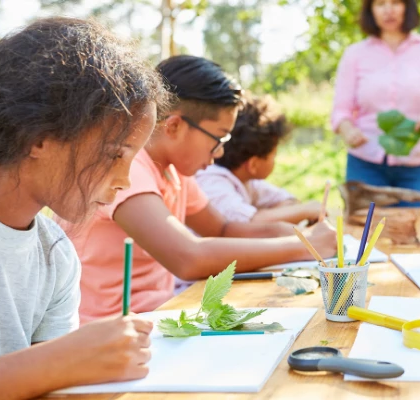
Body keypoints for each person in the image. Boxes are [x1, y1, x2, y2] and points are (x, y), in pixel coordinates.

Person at [0, 17, 170, 398]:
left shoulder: (55, 253)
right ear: (38, 136)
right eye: (114, 155)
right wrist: (60, 361)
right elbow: (45, 370)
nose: (125, 179)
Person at [59, 56, 337, 323]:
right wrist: (303, 247)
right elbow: (188, 258)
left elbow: (224, 229)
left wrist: (299, 235)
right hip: (104, 334)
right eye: (218, 137)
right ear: (175, 126)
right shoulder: (125, 167)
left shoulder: (173, 171)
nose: (220, 152)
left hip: (157, 317)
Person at [331, 0, 420, 206]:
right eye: (380, 3)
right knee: (365, 233)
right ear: (370, 9)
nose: (388, 10)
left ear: (407, 6)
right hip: (365, 164)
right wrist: (347, 130)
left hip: (417, 165)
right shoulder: (355, 54)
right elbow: (340, 111)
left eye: (395, 2)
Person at [196, 95, 322, 224]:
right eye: (274, 155)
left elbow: (287, 200)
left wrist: (287, 212)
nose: (275, 160)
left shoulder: (248, 182)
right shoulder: (212, 183)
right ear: (253, 164)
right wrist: (304, 211)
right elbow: (246, 223)